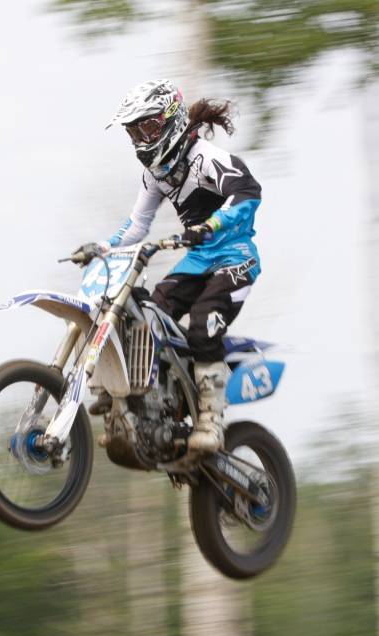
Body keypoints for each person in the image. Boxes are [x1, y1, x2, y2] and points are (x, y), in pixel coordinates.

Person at [72, 79, 263, 453]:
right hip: (197, 260)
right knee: (146, 314)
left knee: (203, 323)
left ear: (171, 119)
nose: (142, 138)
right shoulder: (156, 174)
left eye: (148, 127)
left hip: (235, 258)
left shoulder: (203, 157)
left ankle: (211, 419)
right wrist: (104, 248)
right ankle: (136, 402)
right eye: (134, 132)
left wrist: (211, 225)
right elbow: (137, 225)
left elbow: (249, 192)